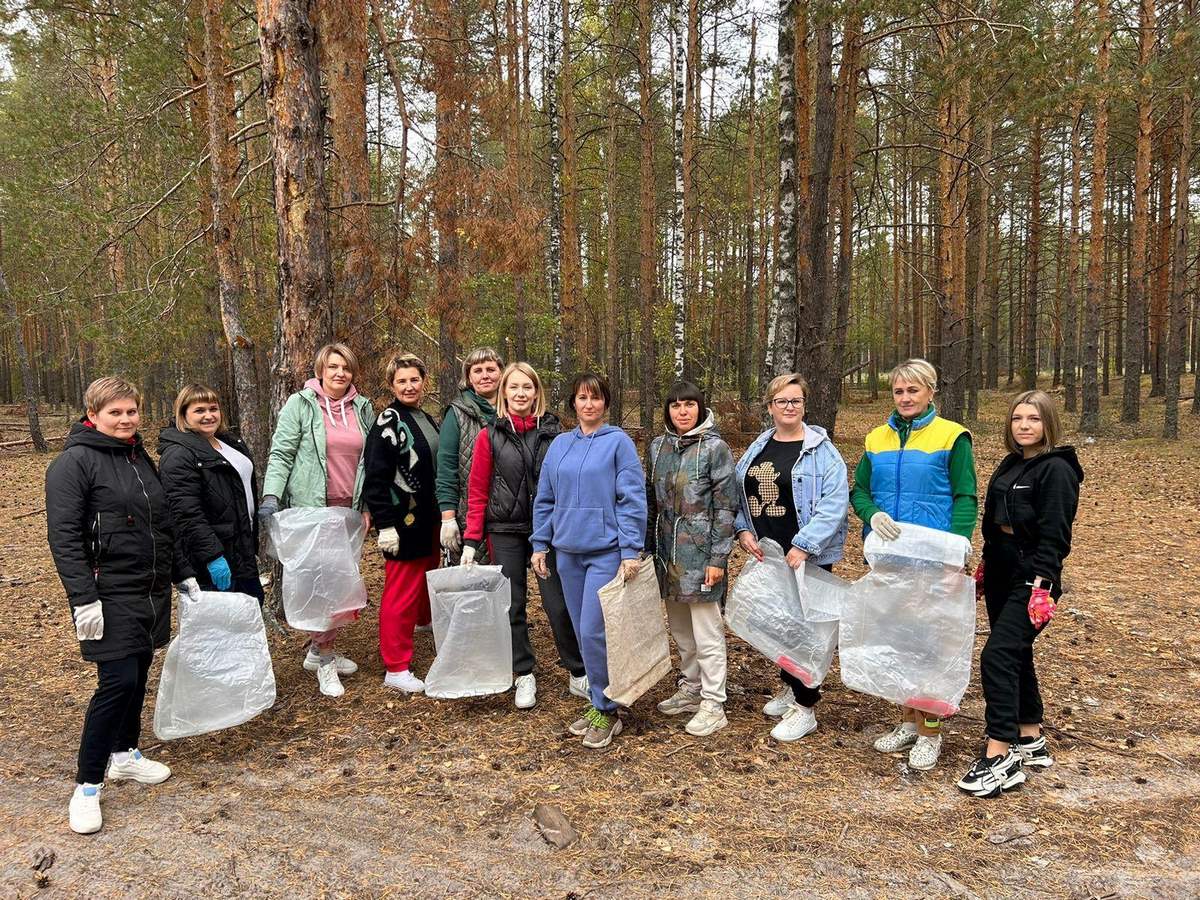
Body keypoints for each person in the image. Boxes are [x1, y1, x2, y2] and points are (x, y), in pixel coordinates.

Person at [46, 376, 199, 835]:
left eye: (131, 411)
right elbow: (65, 539)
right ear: (93, 415)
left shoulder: (137, 456)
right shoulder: (72, 464)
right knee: (117, 682)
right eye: (115, 412)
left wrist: (182, 572)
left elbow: (162, 522)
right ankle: (87, 786)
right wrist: (83, 599)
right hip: (105, 592)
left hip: (148, 588)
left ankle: (124, 755)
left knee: (138, 676)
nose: (125, 419)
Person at [850, 358, 977, 771]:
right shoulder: (876, 438)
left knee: (929, 646)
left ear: (930, 392)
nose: (905, 398)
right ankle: (907, 719)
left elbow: (965, 497)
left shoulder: (952, 437)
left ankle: (931, 732)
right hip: (890, 557)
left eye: (913, 390)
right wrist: (872, 515)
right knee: (897, 640)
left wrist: (954, 553)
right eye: (899, 391)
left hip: (932, 557)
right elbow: (860, 491)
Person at [957, 390, 1083, 797]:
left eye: (1033, 418)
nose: (1024, 425)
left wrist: (1043, 586)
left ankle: (1000, 755)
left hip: (1033, 576)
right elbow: (994, 523)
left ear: (1048, 423)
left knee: (997, 653)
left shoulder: (1057, 471)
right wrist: (984, 566)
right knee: (1016, 653)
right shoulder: (1011, 464)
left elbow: (1055, 536)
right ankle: (1030, 735)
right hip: (1000, 569)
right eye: (1017, 419)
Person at [460, 362, 589, 709]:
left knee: (557, 602)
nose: (520, 394)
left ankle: (578, 672)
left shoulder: (555, 433)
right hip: (504, 530)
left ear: (536, 392)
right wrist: (471, 540)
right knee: (512, 603)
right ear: (504, 392)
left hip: (547, 531)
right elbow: (477, 490)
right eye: (513, 387)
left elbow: (570, 483)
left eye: (527, 387)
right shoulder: (490, 435)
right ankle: (523, 674)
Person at [531, 372, 646, 749]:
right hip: (567, 553)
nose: (589, 404)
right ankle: (599, 700)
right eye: (582, 398)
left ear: (606, 404)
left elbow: (631, 498)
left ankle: (607, 709)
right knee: (580, 632)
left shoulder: (619, 443)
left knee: (596, 631)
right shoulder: (560, 445)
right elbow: (545, 498)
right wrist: (540, 543)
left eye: (596, 398)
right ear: (573, 405)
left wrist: (630, 550)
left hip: (605, 553)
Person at [733, 373, 849, 743]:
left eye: (795, 401)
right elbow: (742, 493)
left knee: (807, 631)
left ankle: (806, 706)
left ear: (804, 405)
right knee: (781, 625)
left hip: (804, 556)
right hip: (770, 553)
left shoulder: (821, 451)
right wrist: (743, 530)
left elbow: (834, 504)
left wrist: (804, 545)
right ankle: (789, 685)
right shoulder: (760, 445)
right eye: (781, 401)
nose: (788, 407)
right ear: (770, 406)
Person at [259, 342, 374, 697]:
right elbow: (281, 453)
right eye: (334, 367)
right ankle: (325, 660)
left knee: (340, 586)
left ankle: (317, 650)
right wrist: (270, 495)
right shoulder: (301, 404)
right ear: (321, 370)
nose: (340, 373)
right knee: (323, 587)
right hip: (312, 510)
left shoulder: (363, 408)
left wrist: (369, 505)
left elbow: (373, 459)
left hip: (349, 512)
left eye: (347, 368)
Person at [647, 381, 738, 737]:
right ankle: (692, 686)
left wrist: (718, 557)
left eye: (689, 405)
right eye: (675, 405)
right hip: (667, 557)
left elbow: (726, 507)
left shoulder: (715, 448)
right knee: (682, 629)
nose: (682, 412)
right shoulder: (658, 447)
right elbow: (651, 502)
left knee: (706, 631)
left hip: (701, 555)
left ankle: (714, 701)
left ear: (700, 408)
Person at [363, 352, 442, 693]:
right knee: (401, 591)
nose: (409, 386)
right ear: (392, 385)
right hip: (403, 520)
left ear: (424, 381)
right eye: (401, 381)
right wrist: (385, 525)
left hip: (430, 519)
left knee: (425, 578)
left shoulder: (425, 417)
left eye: (414, 379)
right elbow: (376, 478)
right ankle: (396, 666)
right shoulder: (388, 421)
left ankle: (422, 624)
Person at [159, 384, 262, 601]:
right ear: (184, 414)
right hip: (213, 558)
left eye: (213, 409)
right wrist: (212, 556)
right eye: (199, 410)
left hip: (242, 550)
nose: (209, 415)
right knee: (221, 629)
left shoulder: (229, 443)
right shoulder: (179, 454)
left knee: (249, 618)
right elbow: (186, 513)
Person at [436, 347, 503, 563]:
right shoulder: (456, 413)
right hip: (469, 517)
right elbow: (446, 468)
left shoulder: (515, 410)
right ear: (469, 377)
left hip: (508, 519)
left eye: (491, 369)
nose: (485, 375)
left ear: (501, 373)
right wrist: (448, 517)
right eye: (478, 370)